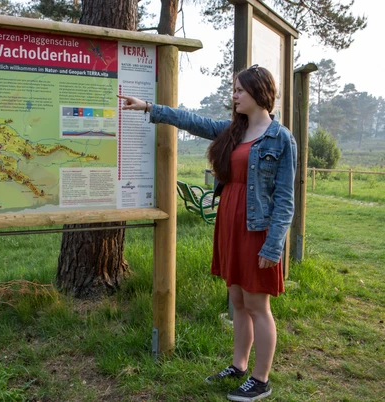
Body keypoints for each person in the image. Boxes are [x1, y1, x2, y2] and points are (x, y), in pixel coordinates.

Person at [118, 64, 296, 402]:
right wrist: (149, 108)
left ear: (260, 93)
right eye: (235, 89)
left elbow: (285, 199)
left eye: (240, 90)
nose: (235, 95)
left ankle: (261, 380)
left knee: (258, 305)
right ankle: (239, 366)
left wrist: (273, 247)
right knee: (238, 301)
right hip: (230, 223)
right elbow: (193, 121)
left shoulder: (280, 138)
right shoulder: (234, 130)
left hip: (256, 229)